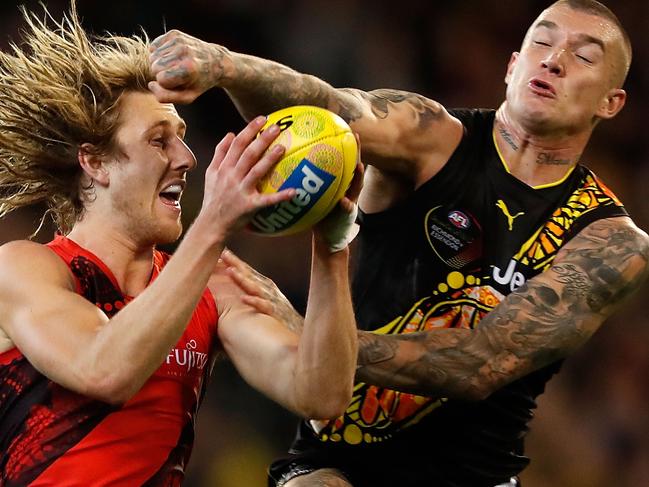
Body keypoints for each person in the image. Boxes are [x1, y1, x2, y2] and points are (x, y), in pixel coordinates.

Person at [148, 0, 649, 485]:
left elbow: (478, 363)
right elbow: (324, 108)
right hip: (335, 461)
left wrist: (316, 337)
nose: (555, 61)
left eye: (582, 56)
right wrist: (226, 65)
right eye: (541, 43)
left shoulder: (610, 241)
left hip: (475, 476)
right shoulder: (429, 136)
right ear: (513, 65)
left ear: (612, 101)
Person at [0, 4, 361, 486]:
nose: (187, 158)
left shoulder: (214, 286)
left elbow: (321, 393)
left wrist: (331, 243)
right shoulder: (25, 268)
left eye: (183, 137)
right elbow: (104, 370)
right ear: (96, 163)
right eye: (158, 140)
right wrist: (213, 223)